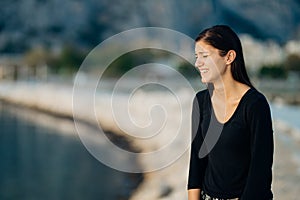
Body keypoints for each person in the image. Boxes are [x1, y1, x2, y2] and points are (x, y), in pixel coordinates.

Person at [187, 25, 274, 200]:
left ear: (229, 57)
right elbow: (197, 161)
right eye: (197, 57)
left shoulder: (255, 104)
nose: (197, 63)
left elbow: (260, 171)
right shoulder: (201, 100)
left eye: (204, 56)